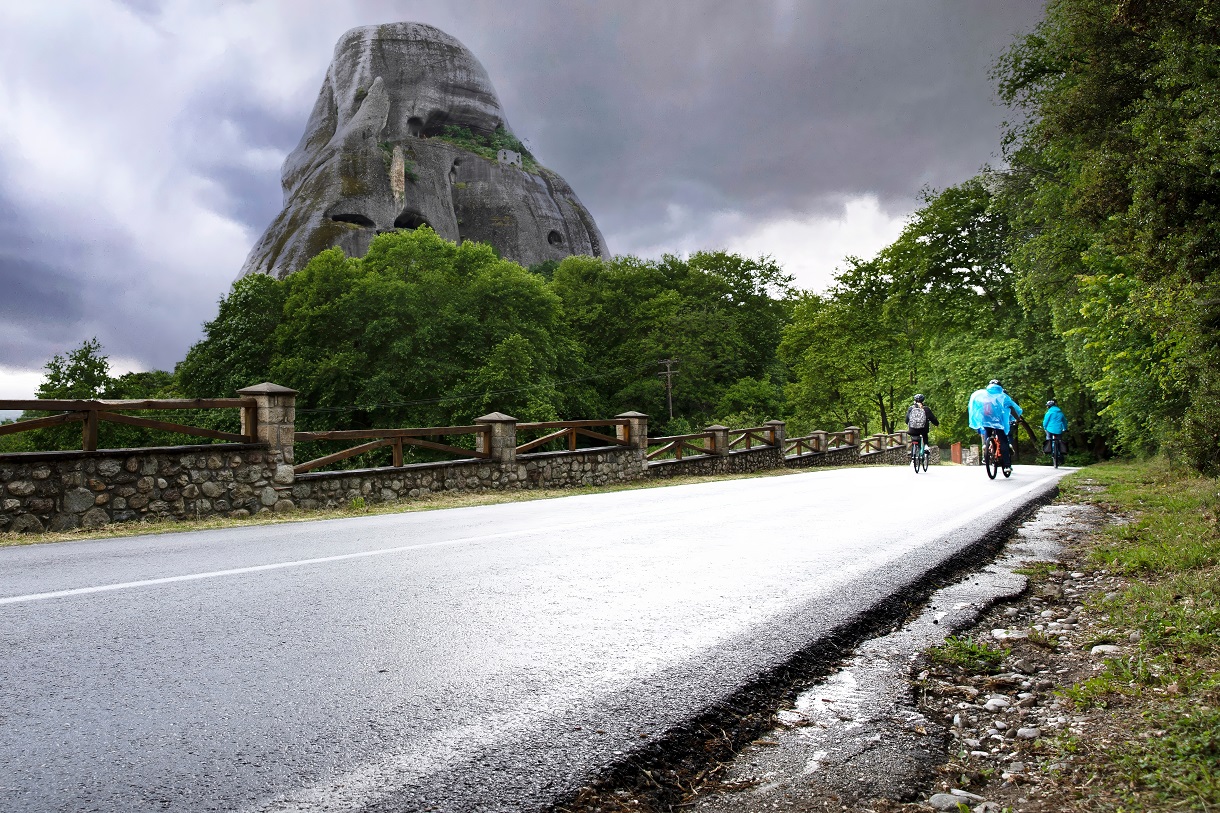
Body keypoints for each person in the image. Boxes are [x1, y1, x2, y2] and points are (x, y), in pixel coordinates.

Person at [967, 379, 1023, 475]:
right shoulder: (1003, 396)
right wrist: (1017, 419)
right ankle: (1007, 466)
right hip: (999, 424)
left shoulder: (983, 396)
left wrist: (979, 420)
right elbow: (1012, 408)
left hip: (986, 421)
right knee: (1003, 441)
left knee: (987, 435)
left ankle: (986, 447)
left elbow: (977, 409)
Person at [905, 394, 939, 458]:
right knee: (925, 435)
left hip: (912, 429)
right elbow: (933, 419)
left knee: (914, 440)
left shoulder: (911, 408)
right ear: (923, 400)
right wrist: (937, 424)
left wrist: (909, 423)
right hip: (923, 429)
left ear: (914, 400)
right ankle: (926, 446)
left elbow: (906, 420)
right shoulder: (926, 409)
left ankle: (913, 459)